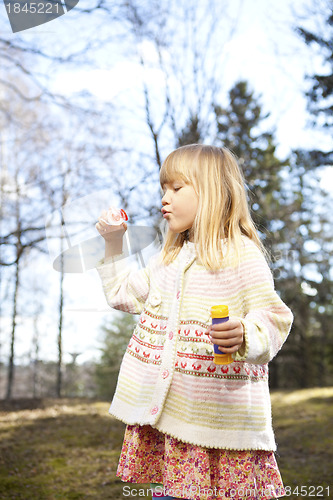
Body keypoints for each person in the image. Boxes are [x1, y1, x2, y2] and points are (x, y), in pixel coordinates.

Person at [95, 144, 293, 500]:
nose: (164, 199)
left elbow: (274, 318)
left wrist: (247, 334)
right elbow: (122, 293)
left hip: (222, 427)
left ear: (212, 190)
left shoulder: (241, 254)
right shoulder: (167, 259)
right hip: (172, 426)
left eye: (176, 188)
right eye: (163, 190)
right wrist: (113, 243)